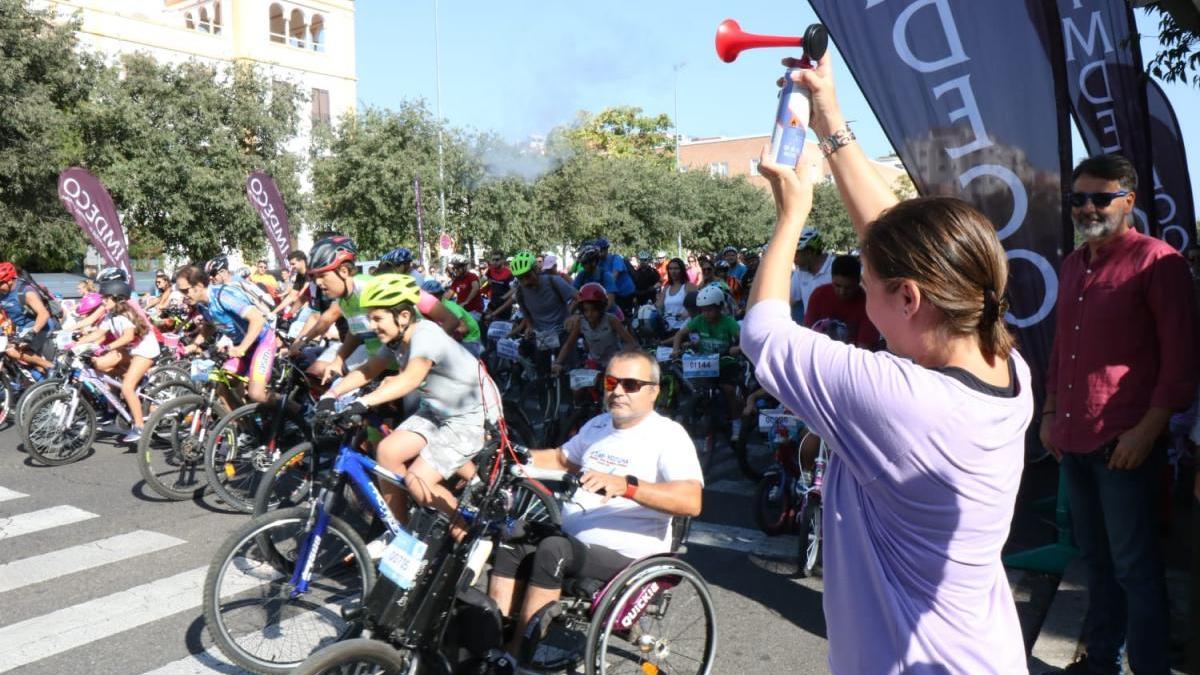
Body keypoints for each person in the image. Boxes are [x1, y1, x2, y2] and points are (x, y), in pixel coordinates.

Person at [741, 53, 1030, 674]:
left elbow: (764, 332)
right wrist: (831, 120)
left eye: (867, 282)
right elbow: (898, 238)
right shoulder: (1003, 359)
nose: (861, 293)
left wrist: (792, 214)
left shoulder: (902, 399)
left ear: (908, 297)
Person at [1040, 153, 1198, 675]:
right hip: (1073, 439)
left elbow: (1181, 361)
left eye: (1100, 197)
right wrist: (1050, 412)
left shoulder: (1159, 263)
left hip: (1124, 444)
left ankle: (1148, 667)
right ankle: (1100, 661)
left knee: (1136, 569)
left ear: (1128, 200)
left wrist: (1147, 432)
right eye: (1078, 198)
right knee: (1097, 564)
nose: (1087, 207)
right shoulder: (1072, 264)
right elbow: (1063, 345)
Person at [488, 349, 703, 657]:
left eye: (630, 384)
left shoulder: (668, 436)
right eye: (611, 382)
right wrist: (511, 456)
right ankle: (496, 645)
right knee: (514, 536)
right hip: (576, 543)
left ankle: (522, 654)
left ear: (654, 391)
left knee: (553, 550)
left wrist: (627, 486)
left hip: (629, 555)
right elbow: (562, 460)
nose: (617, 391)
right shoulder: (598, 425)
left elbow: (691, 501)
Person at [319, 274, 494, 537]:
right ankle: (400, 535)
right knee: (387, 452)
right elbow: (368, 369)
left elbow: (410, 379)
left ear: (402, 316)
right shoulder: (397, 340)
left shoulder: (425, 334)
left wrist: (362, 402)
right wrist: (331, 395)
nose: (372, 325)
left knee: (417, 479)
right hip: (437, 412)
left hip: (469, 415)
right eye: (370, 318)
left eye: (377, 318)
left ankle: (466, 537)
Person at [67, 279, 160, 442]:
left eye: (106, 298)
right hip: (131, 350)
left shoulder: (127, 314)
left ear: (117, 299)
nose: (103, 302)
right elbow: (98, 334)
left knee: (127, 387)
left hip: (145, 351)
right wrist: (75, 343)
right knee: (97, 365)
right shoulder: (111, 315)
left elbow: (128, 337)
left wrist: (107, 348)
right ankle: (133, 382)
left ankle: (139, 427)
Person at [175, 265, 277, 404]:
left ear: (198, 286)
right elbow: (210, 326)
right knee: (222, 387)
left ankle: (300, 412)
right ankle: (242, 424)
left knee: (256, 394)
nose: (183, 295)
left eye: (184, 290)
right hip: (242, 346)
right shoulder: (202, 305)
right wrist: (194, 345)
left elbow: (257, 320)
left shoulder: (222, 296)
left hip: (262, 341)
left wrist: (241, 348)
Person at [671, 285, 743, 424]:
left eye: (710, 309)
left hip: (725, 363)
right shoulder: (699, 320)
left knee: (728, 389)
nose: (706, 313)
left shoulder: (729, 322)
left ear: (719, 307)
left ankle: (736, 422)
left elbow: (743, 338)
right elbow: (680, 334)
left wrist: (738, 348)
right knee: (693, 388)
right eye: (703, 310)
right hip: (705, 364)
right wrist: (675, 349)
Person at [552, 282, 637, 373]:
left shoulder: (611, 320)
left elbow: (630, 342)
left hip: (614, 363)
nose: (589, 314)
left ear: (601, 308)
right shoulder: (581, 322)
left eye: (594, 310)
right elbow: (569, 344)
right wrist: (558, 363)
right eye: (586, 310)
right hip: (594, 364)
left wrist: (628, 359)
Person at [803, 254, 880, 349]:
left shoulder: (869, 305)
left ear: (858, 281)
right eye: (837, 285)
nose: (842, 292)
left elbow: (864, 348)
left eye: (848, 287)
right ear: (831, 279)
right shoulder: (818, 295)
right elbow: (806, 334)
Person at [0, 262, 54, 372]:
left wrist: (32, 332)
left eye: (0, 283)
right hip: (22, 328)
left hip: (40, 326)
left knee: (11, 350)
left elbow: (44, 314)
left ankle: (51, 367)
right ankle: (42, 384)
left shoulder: (25, 292)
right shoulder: (2, 294)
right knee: (21, 361)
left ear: (10, 280)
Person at [420, 279, 482, 357]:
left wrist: (442, 339)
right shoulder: (433, 307)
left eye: (429, 295)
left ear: (438, 295)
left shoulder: (449, 307)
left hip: (470, 339)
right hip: (458, 337)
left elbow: (464, 328)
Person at [205, 254, 276, 315]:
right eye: (208, 275)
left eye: (213, 273)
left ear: (223, 271)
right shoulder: (221, 286)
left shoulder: (235, 285)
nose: (210, 277)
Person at [789, 227, 833, 323]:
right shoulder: (800, 272)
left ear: (809, 253)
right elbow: (789, 300)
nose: (792, 259)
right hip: (811, 329)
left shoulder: (836, 268)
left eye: (795, 254)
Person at [594, 237, 637, 316]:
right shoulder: (599, 262)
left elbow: (613, 277)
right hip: (614, 293)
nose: (599, 253)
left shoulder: (616, 258)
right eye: (598, 251)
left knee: (623, 317)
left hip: (626, 293)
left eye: (601, 250)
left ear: (606, 250)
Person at [656, 257, 696, 335]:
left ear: (682, 270)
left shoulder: (689, 286)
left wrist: (687, 313)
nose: (673, 271)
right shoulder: (667, 287)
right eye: (670, 269)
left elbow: (696, 308)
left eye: (676, 268)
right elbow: (659, 306)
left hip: (684, 329)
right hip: (667, 328)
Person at [483, 251, 514, 320]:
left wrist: (503, 298)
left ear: (502, 260)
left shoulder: (508, 273)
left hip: (504, 306)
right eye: (493, 260)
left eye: (497, 260)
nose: (494, 262)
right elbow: (484, 281)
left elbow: (513, 289)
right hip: (493, 303)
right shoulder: (490, 271)